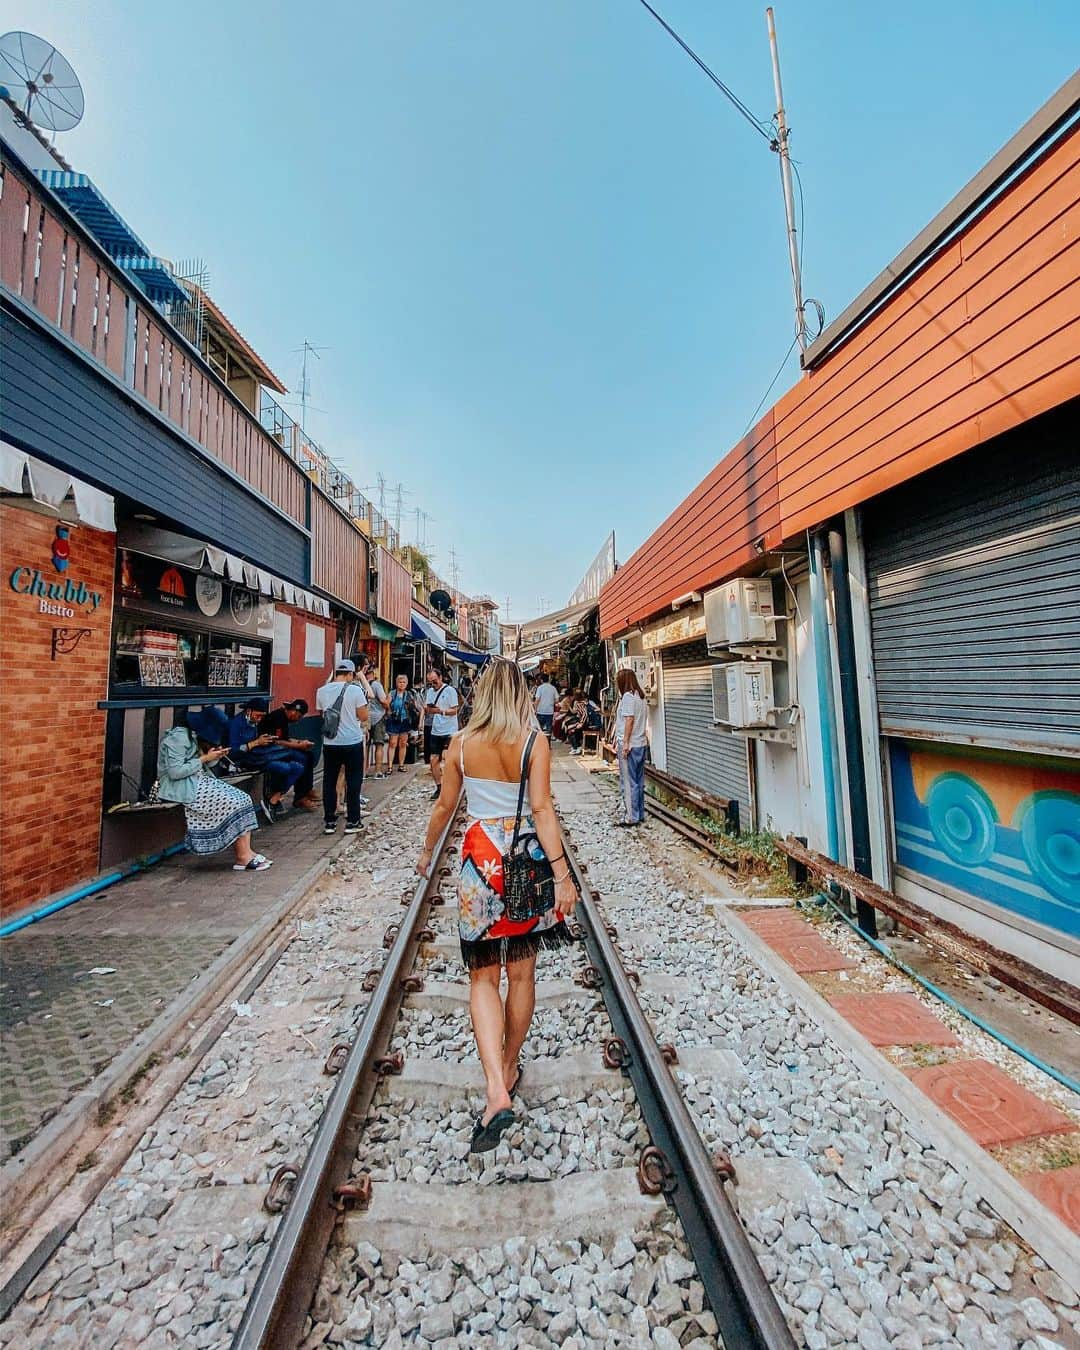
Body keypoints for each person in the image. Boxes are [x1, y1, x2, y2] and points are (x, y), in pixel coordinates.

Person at [416, 660, 577, 1153]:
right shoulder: (534, 742)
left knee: (483, 977)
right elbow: (544, 810)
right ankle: (509, 1065)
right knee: (523, 976)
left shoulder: (461, 744)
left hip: (480, 862)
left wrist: (426, 853)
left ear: (483, 693)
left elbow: (444, 808)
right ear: (521, 695)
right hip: (526, 864)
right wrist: (562, 873)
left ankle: (494, 1089)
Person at [157, 707, 271, 871]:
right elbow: (175, 772)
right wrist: (204, 758)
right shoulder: (178, 738)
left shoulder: (196, 736)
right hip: (180, 786)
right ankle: (242, 857)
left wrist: (213, 757)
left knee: (243, 799)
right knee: (233, 803)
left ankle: (247, 852)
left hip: (199, 780)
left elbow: (204, 764)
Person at [227, 698, 306, 823]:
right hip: (245, 760)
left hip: (259, 754)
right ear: (249, 711)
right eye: (258, 716)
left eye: (262, 716)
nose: (259, 719)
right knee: (285, 767)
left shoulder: (257, 723)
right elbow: (232, 751)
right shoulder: (236, 724)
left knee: (298, 767)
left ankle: (273, 800)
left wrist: (266, 740)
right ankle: (272, 801)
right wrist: (256, 743)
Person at [316, 659, 369, 834]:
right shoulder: (355, 690)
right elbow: (363, 716)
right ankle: (353, 821)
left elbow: (323, 714)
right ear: (350, 674)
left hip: (330, 743)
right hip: (352, 741)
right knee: (353, 781)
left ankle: (329, 822)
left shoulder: (321, 691)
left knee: (329, 781)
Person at [261, 698, 318, 809]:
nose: (298, 720)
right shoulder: (278, 717)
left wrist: (300, 742)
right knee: (301, 758)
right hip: (270, 750)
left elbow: (285, 738)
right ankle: (300, 796)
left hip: (277, 749)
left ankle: (306, 790)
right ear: (294, 711)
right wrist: (298, 746)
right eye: (299, 716)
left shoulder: (284, 718)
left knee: (309, 755)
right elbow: (277, 741)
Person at [614, 668, 649, 826]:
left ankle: (631, 816)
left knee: (628, 782)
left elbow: (629, 720)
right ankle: (639, 813)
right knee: (639, 781)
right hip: (641, 743)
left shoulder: (628, 697)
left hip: (630, 744)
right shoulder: (641, 697)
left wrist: (626, 742)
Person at [424, 667, 459, 801]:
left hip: (450, 730)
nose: (433, 685)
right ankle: (439, 787)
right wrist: (431, 710)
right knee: (433, 760)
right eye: (431, 682)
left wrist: (440, 711)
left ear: (440, 678)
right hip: (435, 730)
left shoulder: (450, 691)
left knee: (448, 759)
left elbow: (454, 710)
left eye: (435, 681)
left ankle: (451, 786)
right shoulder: (430, 692)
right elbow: (428, 709)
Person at [362, 658, 391, 779]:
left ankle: (364, 772)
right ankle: (377, 771)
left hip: (365, 718)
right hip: (378, 718)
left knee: (366, 746)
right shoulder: (376, 685)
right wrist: (389, 700)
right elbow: (384, 701)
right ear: (373, 673)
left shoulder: (360, 685)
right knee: (379, 744)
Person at [385, 673, 419, 773]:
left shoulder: (409, 695)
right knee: (392, 743)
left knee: (403, 743)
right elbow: (386, 704)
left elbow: (415, 707)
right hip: (394, 720)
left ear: (407, 683)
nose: (402, 684)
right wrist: (389, 711)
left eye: (404, 682)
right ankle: (390, 766)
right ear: (396, 683)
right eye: (400, 682)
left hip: (405, 721)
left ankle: (401, 765)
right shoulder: (392, 693)